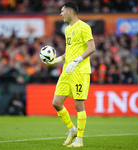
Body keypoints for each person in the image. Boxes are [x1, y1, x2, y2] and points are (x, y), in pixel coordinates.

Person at [44, 2, 95, 147]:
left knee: (79, 105)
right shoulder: (67, 29)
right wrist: (57, 60)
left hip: (80, 71)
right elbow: (69, 52)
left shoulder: (84, 27)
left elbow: (92, 48)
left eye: (62, 11)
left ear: (70, 11)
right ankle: (72, 130)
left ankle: (79, 139)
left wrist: (77, 61)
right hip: (67, 70)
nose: (60, 14)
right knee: (56, 103)